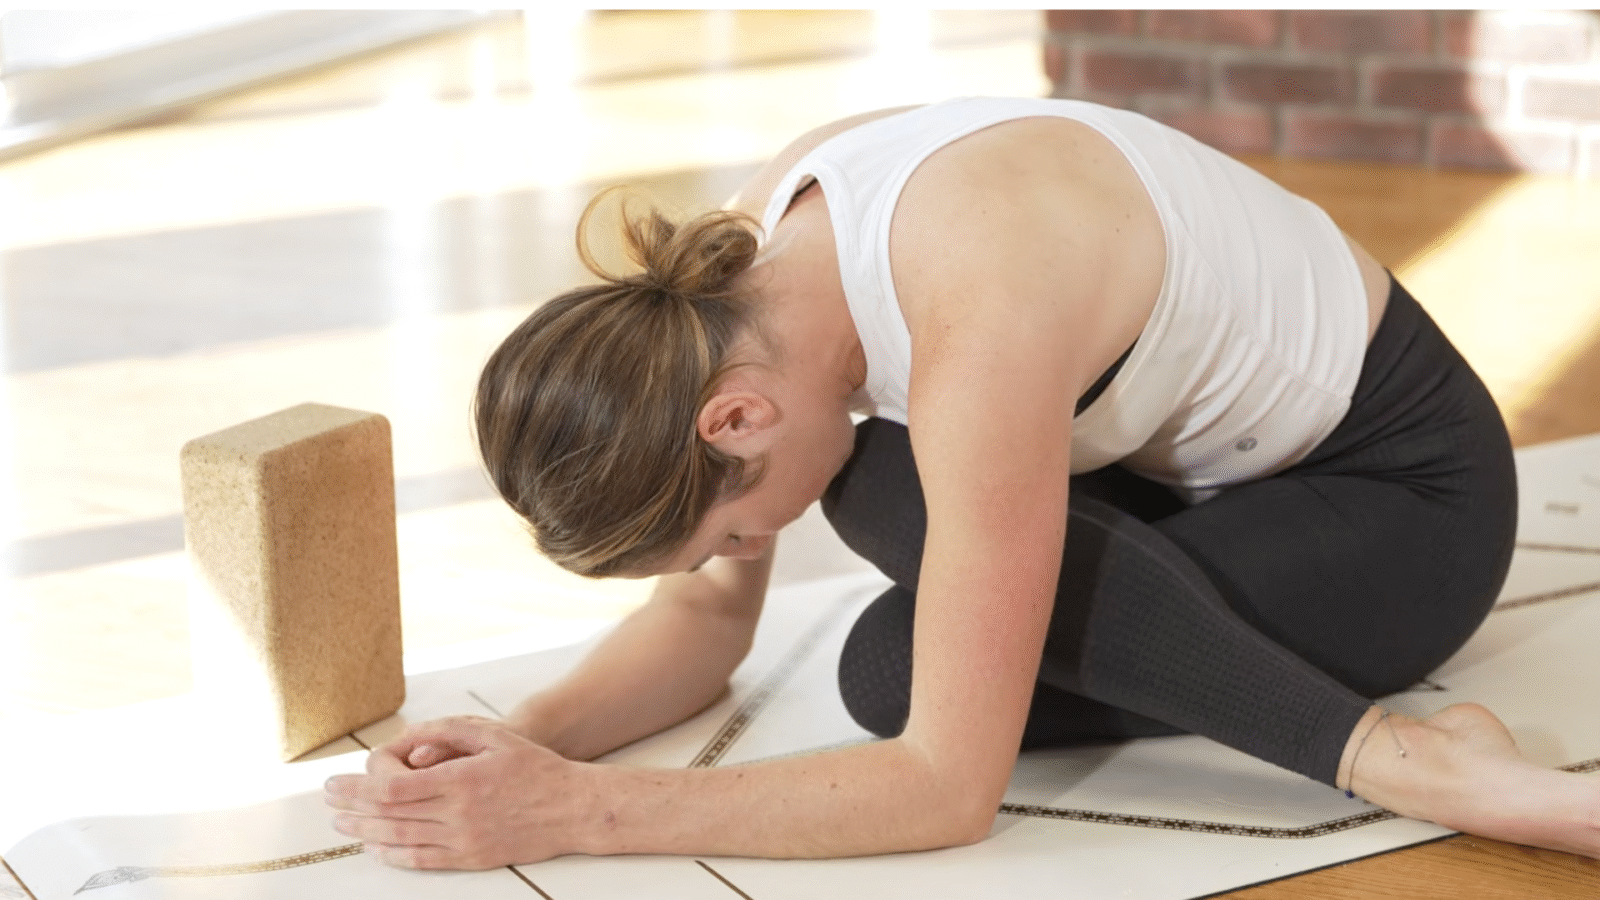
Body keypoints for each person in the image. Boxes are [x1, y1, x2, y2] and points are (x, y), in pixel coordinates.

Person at [323, 96, 1600, 868]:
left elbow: (946, 791)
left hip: (1400, 506)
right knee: (888, 649)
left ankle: (1415, 764)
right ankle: (1386, 740)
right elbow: (704, 628)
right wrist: (528, 741)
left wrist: (578, 814)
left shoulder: (974, 311)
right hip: (1201, 481)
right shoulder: (746, 278)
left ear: (736, 417)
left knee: (893, 559)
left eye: (723, 534)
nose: (737, 560)